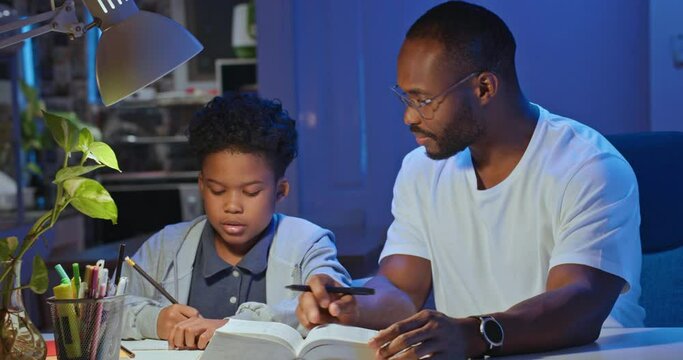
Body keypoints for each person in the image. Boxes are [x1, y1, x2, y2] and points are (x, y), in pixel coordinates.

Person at [296, 1, 644, 358]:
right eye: (405, 97)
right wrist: (350, 306)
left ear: (484, 88)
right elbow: (401, 288)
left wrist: (475, 333)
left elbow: (579, 306)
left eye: (423, 99)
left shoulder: (588, 167)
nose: (408, 116)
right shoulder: (421, 169)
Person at [121, 94, 351, 350]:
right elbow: (108, 308)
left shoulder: (307, 243)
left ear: (280, 191)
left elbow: (328, 303)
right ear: (201, 185)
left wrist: (232, 327)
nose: (232, 206)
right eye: (217, 190)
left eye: (251, 192)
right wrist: (155, 320)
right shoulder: (166, 246)